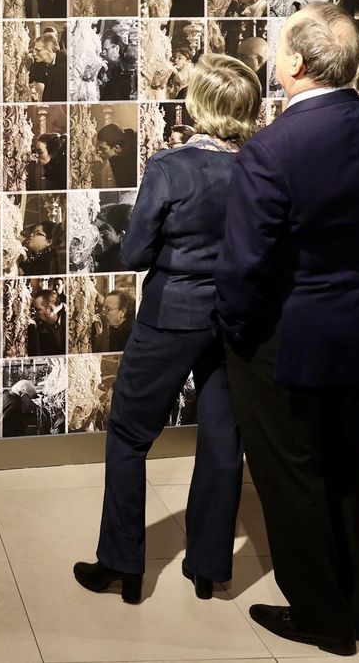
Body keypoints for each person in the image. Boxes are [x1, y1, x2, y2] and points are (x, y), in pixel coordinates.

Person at [214, 2, 359, 655]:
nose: (274, 60)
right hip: (358, 333)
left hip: (282, 344)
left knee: (292, 481)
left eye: (277, 50)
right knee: (342, 469)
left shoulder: (270, 150)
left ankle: (322, 618)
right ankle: (356, 602)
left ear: (297, 66)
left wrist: (237, 332)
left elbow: (243, 269)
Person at [76, 54, 262, 605]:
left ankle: (123, 564)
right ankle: (208, 570)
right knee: (223, 438)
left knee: (131, 435)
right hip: (233, 317)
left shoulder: (169, 167)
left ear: (198, 105)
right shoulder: (261, 166)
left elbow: (134, 253)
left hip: (171, 316)